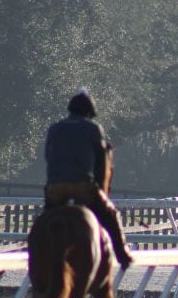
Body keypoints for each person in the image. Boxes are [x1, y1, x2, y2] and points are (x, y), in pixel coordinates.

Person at [43, 91, 134, 269]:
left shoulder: (55, 128)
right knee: (110, 215)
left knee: (45, 221)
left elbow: (48, 156)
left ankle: (37, 252)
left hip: (55, 189)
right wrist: (100, 188)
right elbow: (102, 163)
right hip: (82, 187)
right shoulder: (93, 129)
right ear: (89, 112)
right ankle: (123, 254)